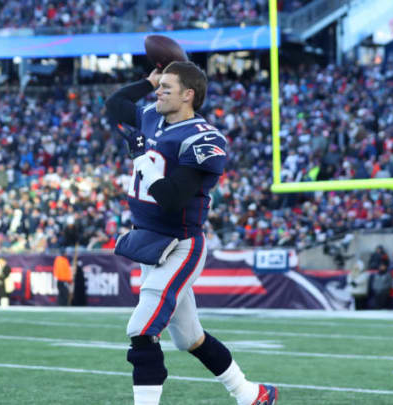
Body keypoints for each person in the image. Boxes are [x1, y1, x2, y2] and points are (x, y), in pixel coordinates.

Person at [105, 62, 277, 405]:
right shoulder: (152, 115)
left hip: (180, 245)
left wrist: (140, 158)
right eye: (159, 86)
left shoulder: (205, 138)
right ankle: (251, 394)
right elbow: (113, 105)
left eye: (166, 87)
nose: (158, 92)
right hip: (149, 242)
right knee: (190, 339)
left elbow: (171, 199)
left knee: (141, 330)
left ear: (189, 95)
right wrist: (146, 82)